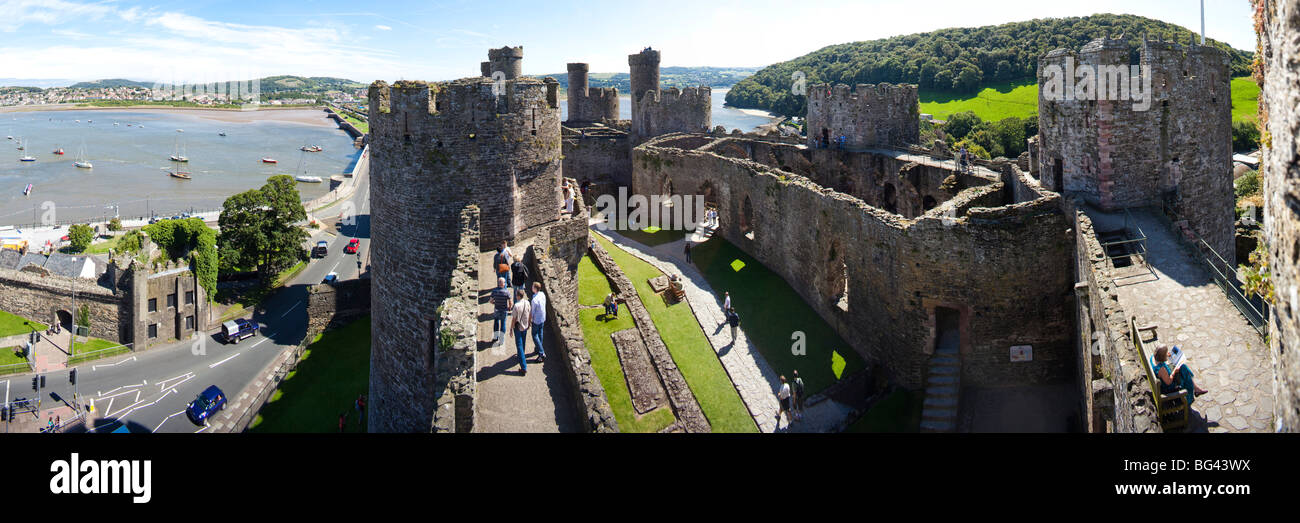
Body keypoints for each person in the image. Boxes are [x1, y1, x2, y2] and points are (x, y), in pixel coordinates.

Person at [511, 289, 533, 375]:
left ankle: (523, 367)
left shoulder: (516, 305)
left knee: (519, 345)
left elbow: (514, 319)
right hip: (525, 325)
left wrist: (511, 328)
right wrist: (529, 323)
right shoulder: (527, 302)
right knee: (523, 342)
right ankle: (521, 356)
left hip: (518, 327)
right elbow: (530, 313)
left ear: (518, 296)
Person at [529, 282, 547, 363]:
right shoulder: (542, 294)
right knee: (540, 333)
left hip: (536, 319)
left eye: (532, 287)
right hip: (542, 317)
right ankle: (538, 348)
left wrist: (530, 320)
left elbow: (532, 312)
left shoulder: (534, 300)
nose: (531, 288)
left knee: (534, 335)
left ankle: (541, 352)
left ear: (535, 289)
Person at [490, 277, 511, 342]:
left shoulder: (494, 291)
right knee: (503, 323)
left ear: (498, 283)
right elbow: (510, 302)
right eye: (504, 282)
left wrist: (495, 303)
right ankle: (501, 339)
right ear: (503, 284)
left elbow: (491, 301)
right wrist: (509, 307)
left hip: (497, 309)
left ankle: (495, 337)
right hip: (504, 310)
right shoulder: (506, 292)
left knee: (496, 323)